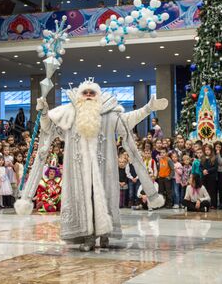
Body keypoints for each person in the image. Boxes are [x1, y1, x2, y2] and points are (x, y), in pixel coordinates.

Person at [16, 79, 167, 252]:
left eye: (92, 93)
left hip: (105, 169)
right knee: (83, 200)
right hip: (78, 170)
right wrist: (43, 113)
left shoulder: (109, 115)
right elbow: (50, 128)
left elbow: (128, 120)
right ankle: (87, 236)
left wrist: (148, 108)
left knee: (104, 198)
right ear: (79, 96)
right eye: (85, 93)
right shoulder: (69, 113)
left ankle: (105, 235)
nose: (88, 96)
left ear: (98, 96)